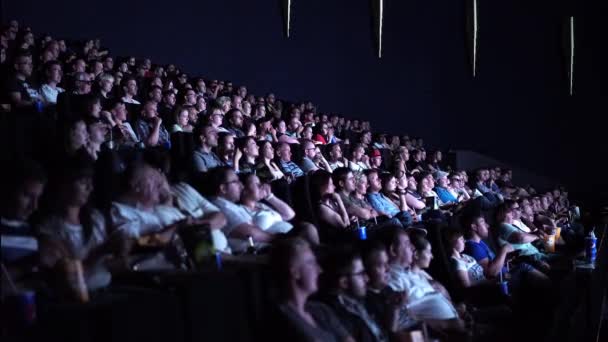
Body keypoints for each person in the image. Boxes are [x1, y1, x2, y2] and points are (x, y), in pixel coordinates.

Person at [38, 163, 113, 291]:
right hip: (77, 297)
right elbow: (70, 276)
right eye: (84, 182)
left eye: (91, 182)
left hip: (108, 288)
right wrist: (101, 251)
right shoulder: (50, 227)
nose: (90, 188)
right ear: (64, 185)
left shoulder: (96, 218)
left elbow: (109, 264)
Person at [270, 238, 354, 341]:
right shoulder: (282, 320)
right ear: (294, 271)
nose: (319, 270)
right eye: (310, 262)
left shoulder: (321, 310)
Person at [384, 228, 464, 331]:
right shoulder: (392, 280)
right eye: (408, 244)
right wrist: (446, 324)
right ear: (393, 250)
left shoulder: (410, 273)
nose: (413, 248)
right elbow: (402, 324)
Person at [319, 247, 391, 342]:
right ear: (344, 282)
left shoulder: (366, 299)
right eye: (361, 274)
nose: (367, 279)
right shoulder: (336, 316)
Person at [208, 167, 276, 253]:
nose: (242, 186)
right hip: (258, 254)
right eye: (236, 182)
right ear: (223, 188)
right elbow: (250, 233)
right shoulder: (220, 205)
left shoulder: (231, 205)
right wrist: (281, 238)